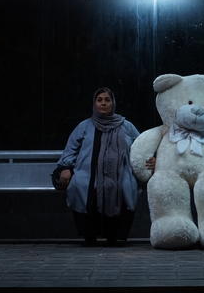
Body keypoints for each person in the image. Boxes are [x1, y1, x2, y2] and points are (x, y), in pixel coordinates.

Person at [54, 87, 154, 246]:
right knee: (82, 186)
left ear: (113, 103)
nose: (103, 103)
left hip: (120, 174)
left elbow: (142, 148)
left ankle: (114, 237)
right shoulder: (84, 126)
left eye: (107, 100)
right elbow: (70, 149)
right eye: (99, 100)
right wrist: (65, 168)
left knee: (122, 187)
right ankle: (89, 236)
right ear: (94, 104)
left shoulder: (126, 126)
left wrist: (151, 160)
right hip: (88, 174)